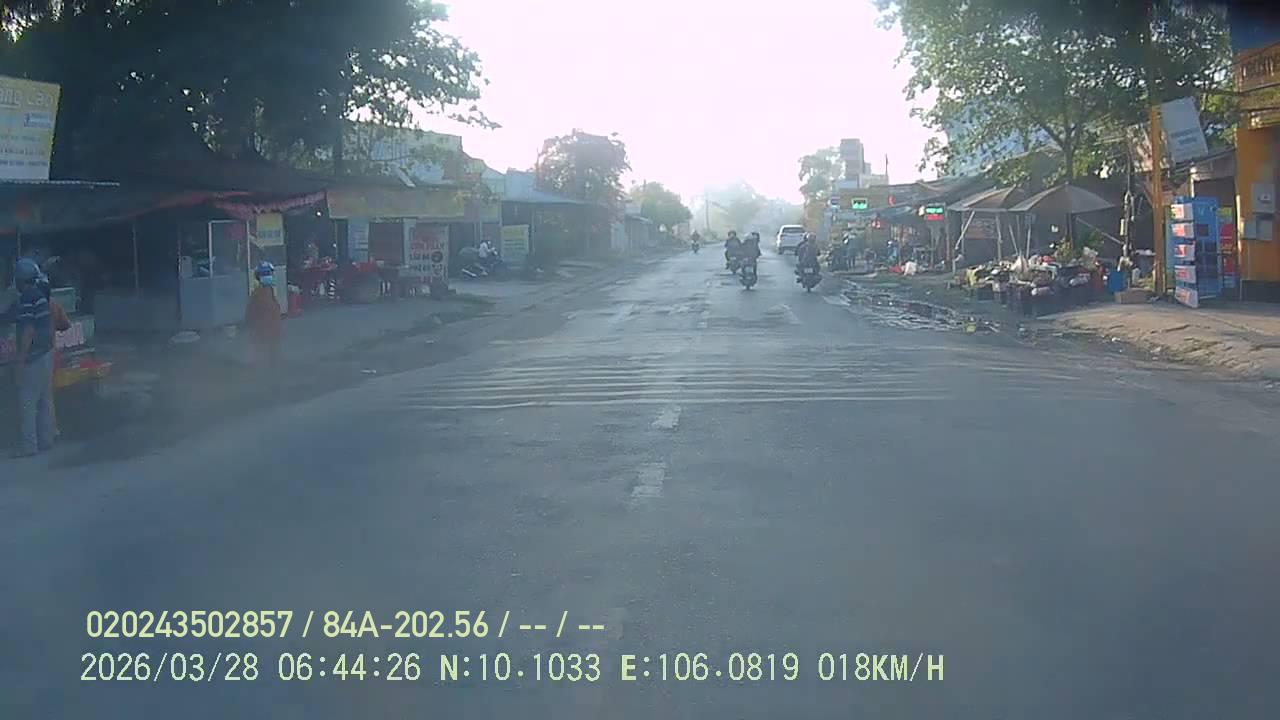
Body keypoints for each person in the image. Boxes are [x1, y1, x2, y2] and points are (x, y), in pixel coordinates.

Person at [11, 258, 56, 457]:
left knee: (27, 402)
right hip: (46, 354)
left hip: (34, 357)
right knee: (45, 400)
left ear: (21, 280)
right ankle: (46, 440)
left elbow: (28, 330)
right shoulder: (40, 295)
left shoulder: (27, 298)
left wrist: (20, 361)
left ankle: (29, 447)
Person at [245, 262, 283, 369]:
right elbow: (250, 313)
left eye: (268, 273)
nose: (268, 276)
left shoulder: (267, 292)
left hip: (269, 331)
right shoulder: (259, 294)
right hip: (263, 331)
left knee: (271, 355)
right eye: (265, 274)